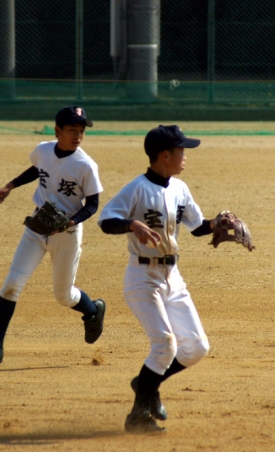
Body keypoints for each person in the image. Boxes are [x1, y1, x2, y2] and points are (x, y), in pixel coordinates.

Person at [98, 125, 215, 433]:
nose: (185, 155)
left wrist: (218, 224)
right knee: (164, 344)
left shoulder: (180, 188)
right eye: (181, 150)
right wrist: (132, 224)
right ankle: (138, 416)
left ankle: (146, 383)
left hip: (173, 277)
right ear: (165, 155)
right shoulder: (137, 188)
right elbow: (106, 220)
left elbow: (197, 226)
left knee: (197, 348)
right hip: (142, 278)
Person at [0, 106, 106, 366]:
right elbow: (38, 169)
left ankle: (93, 310)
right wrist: (10, 186)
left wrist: (71, 221)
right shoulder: (43, 150)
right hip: (36, 227)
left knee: (63, 296)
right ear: (58, 131)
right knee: (12, 284)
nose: (78, 135)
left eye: (81, 131)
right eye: (72, 130)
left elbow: (93, 204)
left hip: (67, 233)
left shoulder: (85, 165)